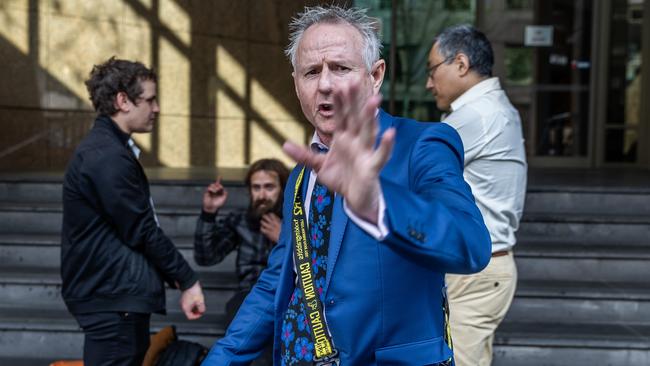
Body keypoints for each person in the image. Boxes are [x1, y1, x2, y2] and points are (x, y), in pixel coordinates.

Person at [202, 6, 491, 365]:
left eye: (340, 68)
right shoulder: (300, 176)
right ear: (296, 83)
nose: (325, 83)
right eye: (311, 71)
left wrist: (378, 203)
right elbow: (278, 279)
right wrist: (220, 359)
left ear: (375, 75)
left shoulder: (422, 144)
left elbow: (471, 244)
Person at [61, 57, 205, 366]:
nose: (156, 108)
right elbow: (141, 229)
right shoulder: (107, 157)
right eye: (150, 99)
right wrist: (187, 279)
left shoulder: (110, 150)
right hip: (112, 297)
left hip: (115, 296)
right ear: (123, 101)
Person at [425, 25, 527, 366]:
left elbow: (411, 167)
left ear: (461, 64)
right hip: (484, 267)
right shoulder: (494, 108)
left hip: (474, 271)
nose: (429, 83)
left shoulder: (478, 115)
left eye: (432, 70)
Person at [194, 158, 289, 365]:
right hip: (247, 296)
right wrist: (209, 214)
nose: (262, 195)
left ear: (283, 188)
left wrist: (284, 239)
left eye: (269, 187)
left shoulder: (295, 222)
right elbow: (206, 257)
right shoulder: (240, 221)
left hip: (288, 297)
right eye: (256, 188)